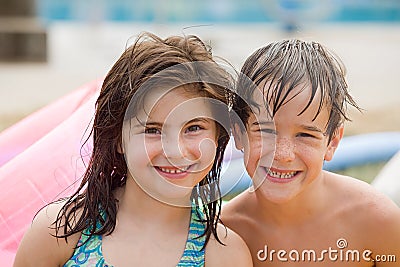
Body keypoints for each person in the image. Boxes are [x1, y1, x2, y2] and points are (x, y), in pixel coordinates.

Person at [14, 32, 252, 266]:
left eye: (194, 128)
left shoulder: (223, 255)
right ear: (118, 139)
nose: (175, 151)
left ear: (218, 135)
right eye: (152, 130)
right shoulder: (61, 232)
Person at [222, 39, 400, 266]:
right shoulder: (228, 233)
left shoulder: (375, 220)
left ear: (332, 142)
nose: (283, 154)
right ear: (238, 133)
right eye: (266, 131)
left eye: (305, 135)